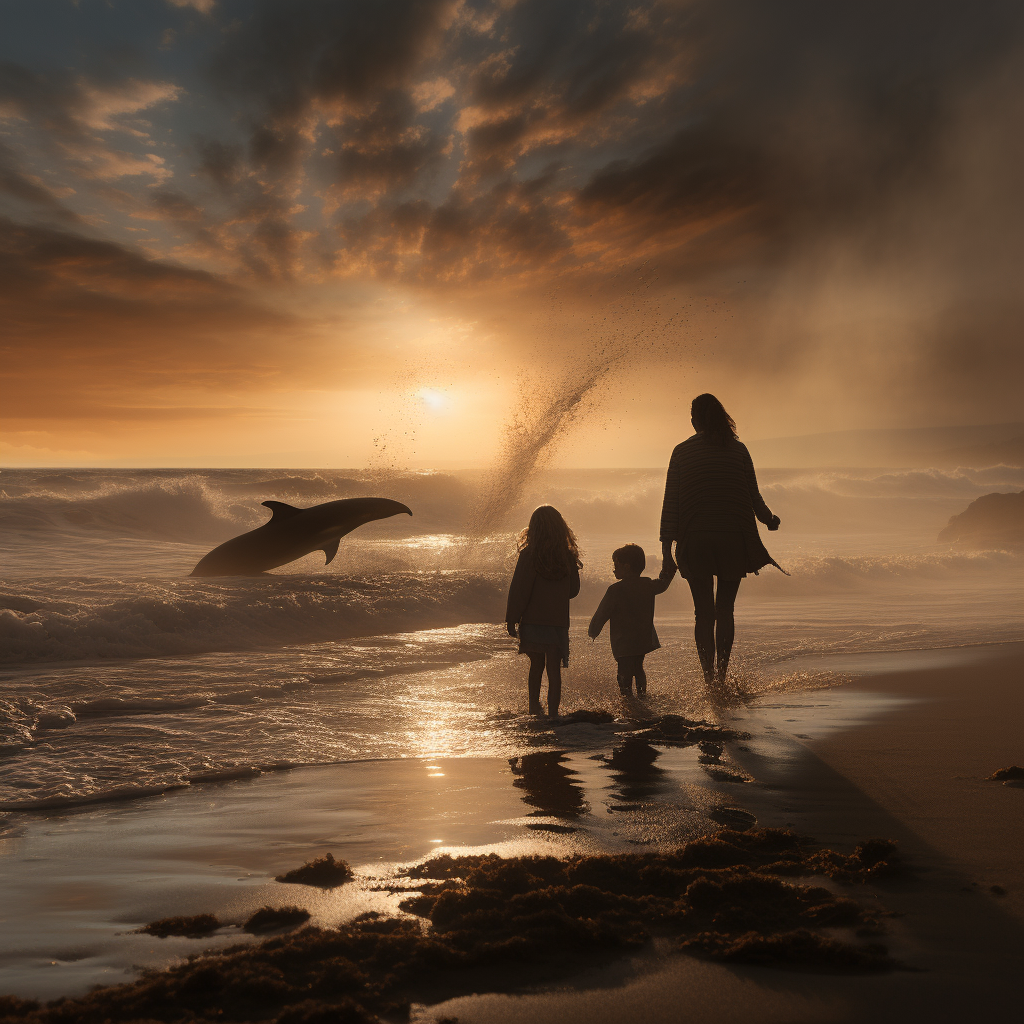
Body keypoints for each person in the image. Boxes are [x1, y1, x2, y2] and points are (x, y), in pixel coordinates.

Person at [659, 393, 786, 684]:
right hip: (733, 538)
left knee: (703, 613)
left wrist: (667, 550)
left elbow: (671, 503)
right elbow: (754, 496)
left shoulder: (681, 452)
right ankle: (722, 676)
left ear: (695, 420)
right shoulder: (739, 451)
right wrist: (770, 520)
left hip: (695, 540)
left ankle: (708, 681)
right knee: (725, 610)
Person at [506, 505, 582, 718]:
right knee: (554, 670)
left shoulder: (529, 555)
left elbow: (520, 589)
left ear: (534, 529)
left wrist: (512, 619)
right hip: (557, 623)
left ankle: (533, 708)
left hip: (533, 621)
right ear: (560, 529)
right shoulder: (567, 557)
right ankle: (553, 713)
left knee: (536, 666)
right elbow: (574, 591)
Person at [588, 543, 670, 695]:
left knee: (624, 671)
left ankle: (627, 699)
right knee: (638, 668)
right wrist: (669, 567)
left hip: (623, 640)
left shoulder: (615, 590)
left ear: (626, 567)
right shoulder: (647, 585)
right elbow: (664, 583)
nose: (613, 569)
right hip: (643, 637)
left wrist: (593, 630)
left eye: (616, 565)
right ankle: (641, 696)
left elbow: (602, 613)